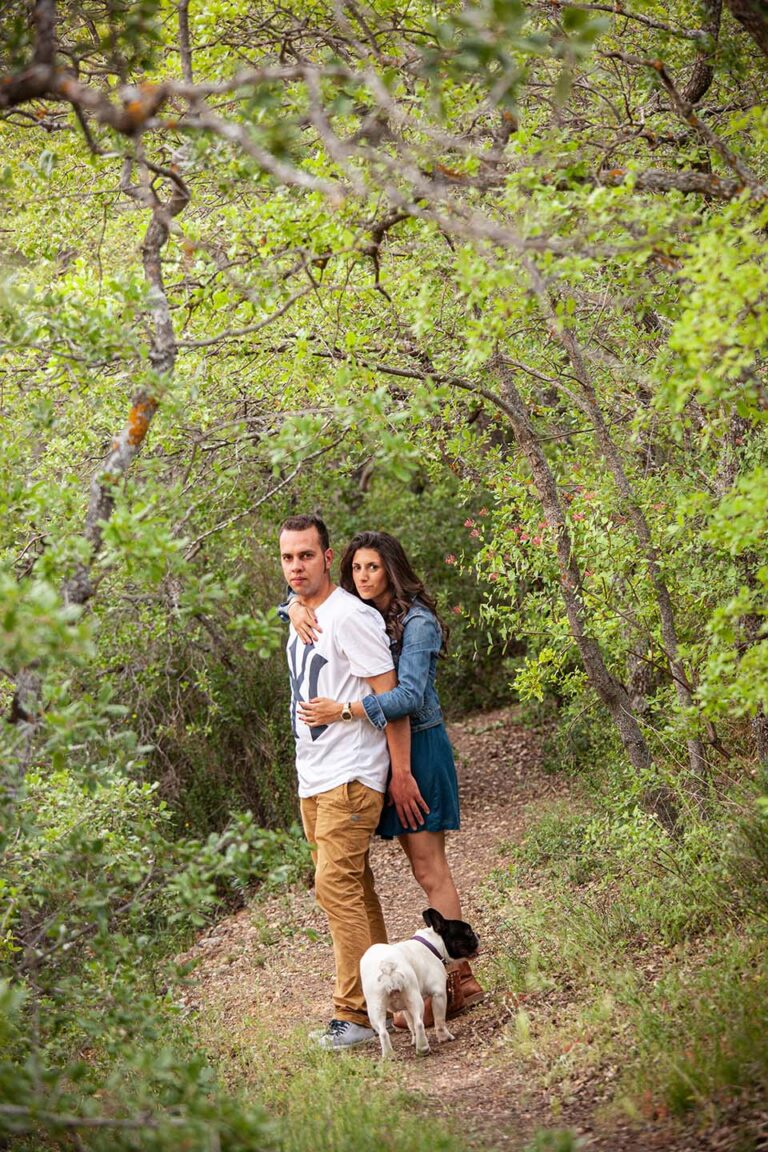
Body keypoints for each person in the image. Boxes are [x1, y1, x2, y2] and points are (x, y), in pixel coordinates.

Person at [291, 530, 483, 1018]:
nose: (363, 577)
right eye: (356, 569)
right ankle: (409, 983)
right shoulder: (366, 615)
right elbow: (310, 598)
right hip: (385, 750)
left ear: (392, 569)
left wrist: (344, 710)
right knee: (386, 872)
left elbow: (409, 698)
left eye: (372, 568)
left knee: (427, 866)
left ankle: (460, 975)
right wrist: (290, 607)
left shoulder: (417, 624)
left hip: (418, 748)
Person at [277, 514, 426, 1051]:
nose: (296, 567)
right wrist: (292, 605)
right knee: (354, 890)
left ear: (325, 555)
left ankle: (355, 1013)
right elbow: (293, 601)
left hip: (351, 776)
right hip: (312, 779)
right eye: (288, 557)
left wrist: (398, 772)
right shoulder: (299, 613)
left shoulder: (351, 617)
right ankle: (388, 999)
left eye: (306, 556)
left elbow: (390, 698)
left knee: (332, 888)